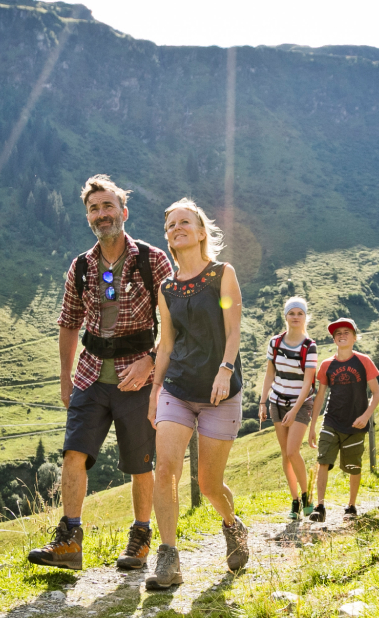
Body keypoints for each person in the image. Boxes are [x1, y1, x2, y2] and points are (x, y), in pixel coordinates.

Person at [27, 175, 175, 572]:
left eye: (108, 206)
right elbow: (69, 322)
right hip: (90, 377)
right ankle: (69, 541)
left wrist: (151, 362)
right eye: (94, 209)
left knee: (141, 463)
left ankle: (140, 540)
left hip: (139, 379)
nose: (101, 214)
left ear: (123, 212)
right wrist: (65, 379)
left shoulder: (153, 260)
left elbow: (178, 321)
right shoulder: (81, 266)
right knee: (74, 454)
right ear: (88, 217)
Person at [146, 198, 248, 589]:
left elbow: (234, 329)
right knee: (166, 469)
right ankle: (168, 559)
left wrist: (225, 370)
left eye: (184, 222)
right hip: (177, 388)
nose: (176, 228)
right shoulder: (167, 288)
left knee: (208, 484)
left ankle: (231, 524)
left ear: (202, 231)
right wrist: (156, 389)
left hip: (221, 392)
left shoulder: (222, 274)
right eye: (170, 225)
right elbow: (167, 345)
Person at [310, 317, 379, 522]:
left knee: (353, 467)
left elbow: (376, 393)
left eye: (346, 332)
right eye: (337, 333)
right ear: (334, 340)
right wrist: (313, 426)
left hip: (355, 424)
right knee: (323, 460)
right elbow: (320, 396)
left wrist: (365, 416)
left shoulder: (363, 361)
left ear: (354, 338)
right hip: (331, 420)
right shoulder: (326, 365)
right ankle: (319, 507)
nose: (342, 336)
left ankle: (351, 507)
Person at [258, 297, 320, 521]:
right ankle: (294, 500)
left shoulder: (309, 346)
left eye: (300, 313)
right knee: (285, 454)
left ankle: (306, 496)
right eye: (291, 313)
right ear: (285, 316)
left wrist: (294, 410)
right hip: (277, 401)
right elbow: (269, 374)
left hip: (301, 404)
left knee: (293, 450)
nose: (295, 317)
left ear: (305, 317)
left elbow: (307, 382)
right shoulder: (275, 343)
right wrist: (263, 402)